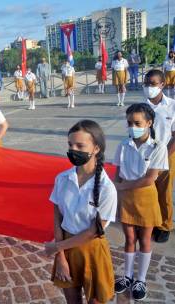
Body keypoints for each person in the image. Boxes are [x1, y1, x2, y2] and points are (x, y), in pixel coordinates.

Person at [44, 120, 117, 304]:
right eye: (70, 144)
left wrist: (56, 247)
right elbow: (58, 217)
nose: (73, 149)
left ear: (96, 149)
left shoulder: (106, 188)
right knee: (72, 300)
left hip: (92, 249)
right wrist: (61, 257)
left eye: (80, 145)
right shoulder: (62, 179)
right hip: (66, 248)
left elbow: (93, 232)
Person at [113, 103, 167, 301]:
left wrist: (121, 187)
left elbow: (149, 178)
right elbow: (116, 174)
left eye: (137, 122)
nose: (132, 126)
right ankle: (127, 276)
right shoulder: (123, 145)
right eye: (129, 123)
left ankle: (140, 279)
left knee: (144, 239)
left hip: (146, 198)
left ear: (149, 123)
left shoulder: (158, 146)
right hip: (126, 198)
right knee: (128, 238)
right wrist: (115, 190)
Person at [144, 69, 175, 243]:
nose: (149, 87)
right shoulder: (142, 107)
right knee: (148, 190)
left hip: (167, 152)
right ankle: (151, 221)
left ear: (162, 84)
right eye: (146, 84)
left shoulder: (172, 105)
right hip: (146, 154)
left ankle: (164, 225)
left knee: (164, 192)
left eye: (153, 84)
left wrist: (163, 156)